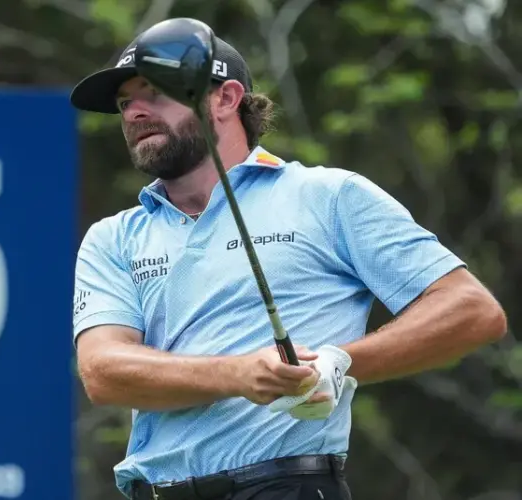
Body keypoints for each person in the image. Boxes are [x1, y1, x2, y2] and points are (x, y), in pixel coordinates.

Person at [68, 18, 508, 500]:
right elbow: (103, 371)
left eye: (154, 92)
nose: (134, 112)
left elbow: (471, 310)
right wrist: (237, 373)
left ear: (225, 98)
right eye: (126, 102)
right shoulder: (113, 237)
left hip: (286, 486)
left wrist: (341, 362)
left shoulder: (328, 196)